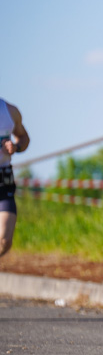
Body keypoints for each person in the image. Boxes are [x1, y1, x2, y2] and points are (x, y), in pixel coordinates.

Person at [0, 98, 30, 258]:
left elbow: (24, 137)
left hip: (3, 182)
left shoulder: (10, 111)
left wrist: (16, 147)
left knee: (4, 241)